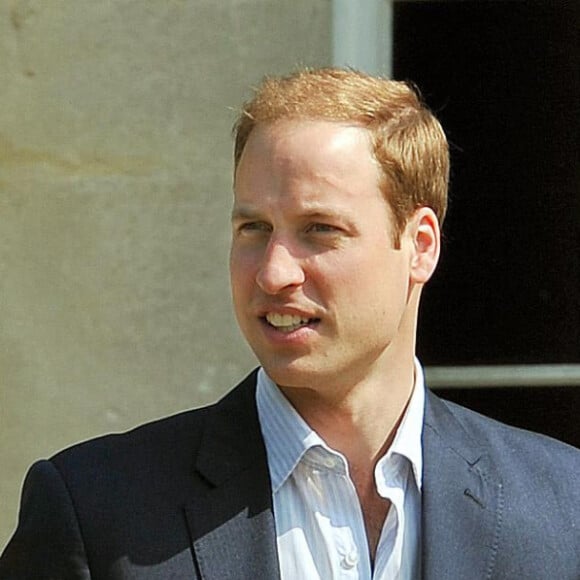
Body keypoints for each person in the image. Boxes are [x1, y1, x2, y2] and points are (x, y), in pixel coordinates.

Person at [1, 68, 579, 580]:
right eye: (253, 229)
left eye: (320, 229)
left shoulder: (562, 508)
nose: (274, 272)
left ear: (420, 246)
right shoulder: (97, 512)